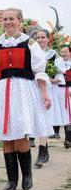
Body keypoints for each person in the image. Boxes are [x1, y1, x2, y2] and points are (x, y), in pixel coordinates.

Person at [0, 8, 53, 190]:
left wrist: (44, 94)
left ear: (20, 22)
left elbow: (39, 70)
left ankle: (26, 175)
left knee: (20, 133)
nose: (8, 22)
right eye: (5, 19)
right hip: (1, 91)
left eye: (11, 19)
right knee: (5, 136)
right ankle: (11, 180)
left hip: (23, 90)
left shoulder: (29, 43)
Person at [32, 29, 59, 167]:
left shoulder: (52, 55)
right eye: (38, 37)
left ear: (48, 39)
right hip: (33, 86)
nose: (40, 40)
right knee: (37, 118)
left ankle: (42, 152)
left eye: (43, 37)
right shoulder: (32, 52)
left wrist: (51, 78)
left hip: (47, 89)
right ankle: (45, 150)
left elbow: (58, 72)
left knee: (44, 118)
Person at [53, 45, 71, 148]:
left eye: (66, 51)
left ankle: (68, 139)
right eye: (62, 52)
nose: (64, 53)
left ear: (70, 53)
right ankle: (67, 139)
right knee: (64, 114)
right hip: (59, 90)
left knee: (69, 115)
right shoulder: (57, 63)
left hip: (69, 91)